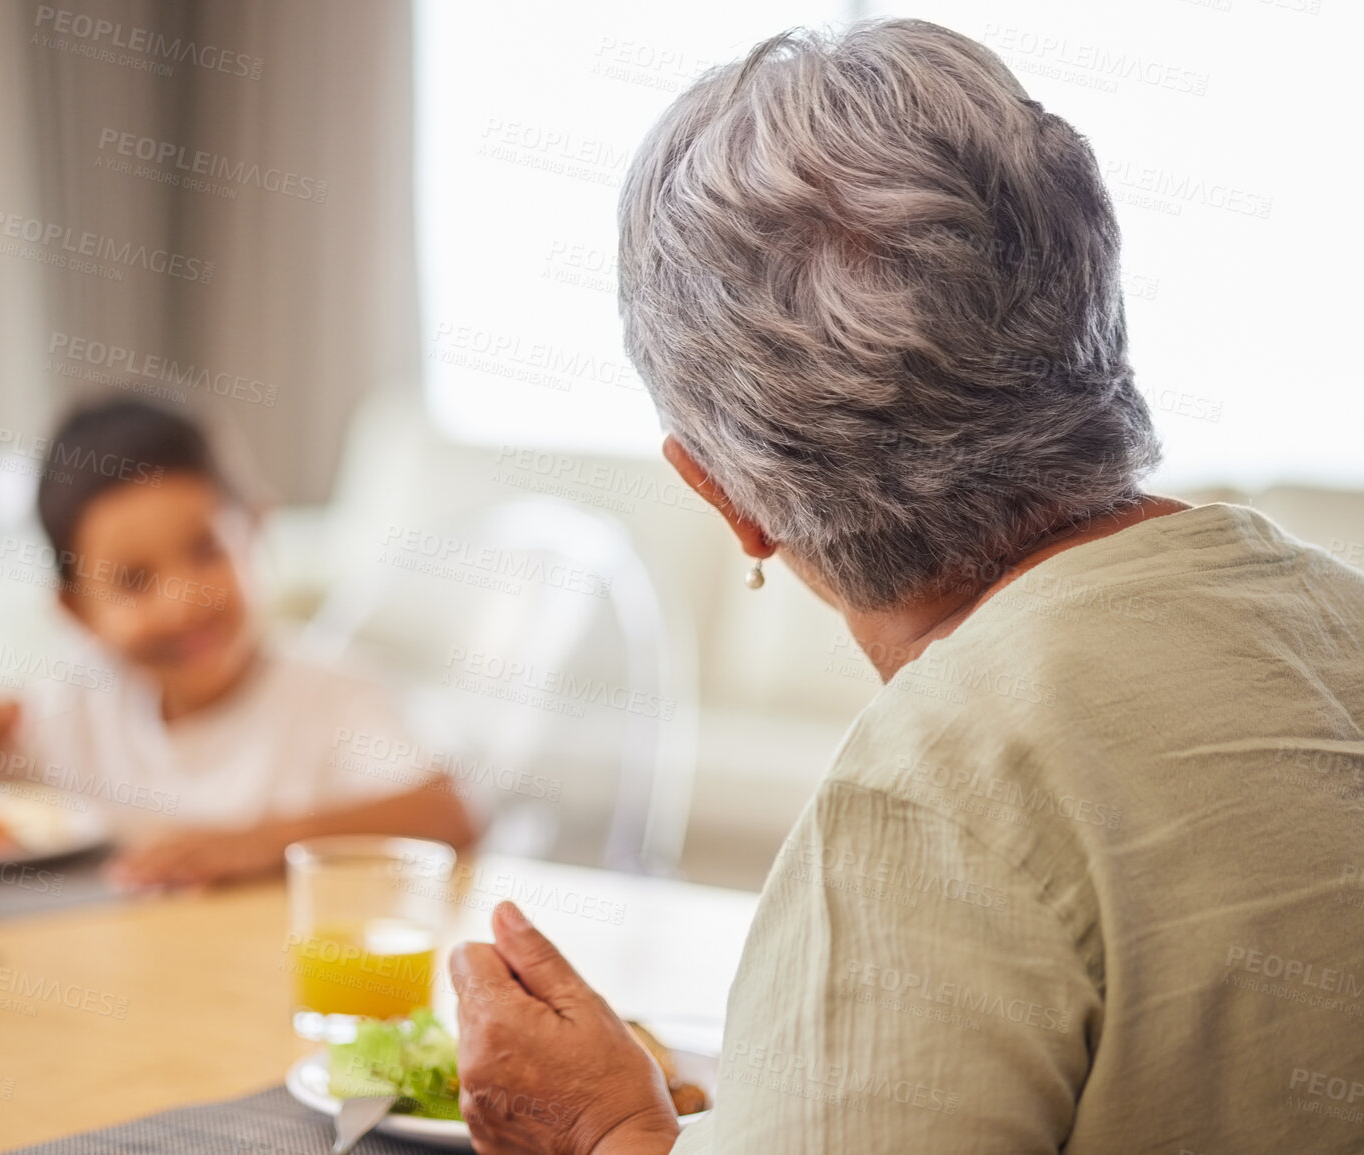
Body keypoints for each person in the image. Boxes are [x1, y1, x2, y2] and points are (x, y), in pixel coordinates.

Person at [449, 20, 1364, 1155]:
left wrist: (606, 1131)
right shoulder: (1342, 619)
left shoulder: (933, 799)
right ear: (1097, 313)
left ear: (730, 497)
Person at [0, 399, 478, 888]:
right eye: (134, 581)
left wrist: (255, 844)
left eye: (207, 550)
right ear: (77, 611)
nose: (184, 603)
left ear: (256, 532)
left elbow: (447, 814)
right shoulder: (79, 704)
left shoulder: (330, 691)